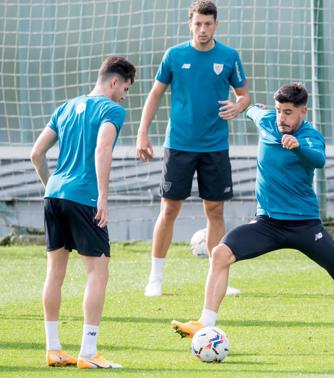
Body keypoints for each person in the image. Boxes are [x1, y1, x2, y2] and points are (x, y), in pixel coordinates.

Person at [170, 82, 334, 346]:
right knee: (220, 253)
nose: (281, 118)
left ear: (303, 112)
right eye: (278, 110)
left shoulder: (310, 136)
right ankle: (205, 324)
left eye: (288, 112)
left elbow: (318, 160)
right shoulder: (267, 120)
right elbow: (252, 109)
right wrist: (243, 106)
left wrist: (297, 146)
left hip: (304, 226)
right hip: (268, 224)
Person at [136, 0, 250, 297]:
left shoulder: (229, 56)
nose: (202, 29)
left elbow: (244, 96)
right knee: (169, 208)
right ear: (190, 24)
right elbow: (155, 94)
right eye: (197, 24)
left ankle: (216, 278)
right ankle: (155, 278)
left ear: (216, 25)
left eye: (208, 24)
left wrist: (238, 107)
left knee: (214, 210)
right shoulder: (174, 55)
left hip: (215, 146)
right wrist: (142, 133)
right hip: (179, 145)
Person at [30, 56, 136, 368]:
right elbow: (103, 148)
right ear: (114, 82)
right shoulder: (112, 110)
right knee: (98, 272)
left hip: (55, 196)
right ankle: (88, 352)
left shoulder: (65, 107)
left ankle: (53, 349)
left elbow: (36, 153)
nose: (124, 96)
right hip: (84, 198)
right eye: (125, 89)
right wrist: (102, 195)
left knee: (55, 272)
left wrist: (52, 187)